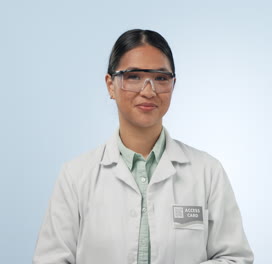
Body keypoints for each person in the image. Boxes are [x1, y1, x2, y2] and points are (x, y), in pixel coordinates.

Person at [33, 29, 254, 264]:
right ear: (110, 85)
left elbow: (234, 257)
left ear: (173, 85)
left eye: (160, 78)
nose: (148, 91)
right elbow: (51, 259)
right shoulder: (75, 176)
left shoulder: (207, 172)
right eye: (134, 76)